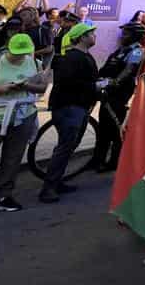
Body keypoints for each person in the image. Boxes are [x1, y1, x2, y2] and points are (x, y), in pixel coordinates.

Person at [0, 33, 47, 212]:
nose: (20, 56)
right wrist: (1, 89)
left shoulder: (35, 63)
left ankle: (5, 196)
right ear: (8, 48)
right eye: (16, 52)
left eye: (24, 52)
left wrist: (27, 86)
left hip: (23, 116)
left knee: (13, 159)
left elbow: (42, 87)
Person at [39, 24, 99, 204]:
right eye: (91, 34)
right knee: (65, 146)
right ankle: (48, 188)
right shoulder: (72, 58)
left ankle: (57, 181)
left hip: (78, 107)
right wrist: (94, 87)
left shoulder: (85, 57)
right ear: (81, 37)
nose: (94, 36)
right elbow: (68, 83)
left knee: (69, 146)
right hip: (69, 108)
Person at [92, 21, 145, 173]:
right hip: (108, 94)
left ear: (135, 36)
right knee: (103, 128)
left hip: (120, 95)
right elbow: (106, 68)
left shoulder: (136, 52)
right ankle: (98, 158)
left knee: (116, 129)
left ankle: (114, 161)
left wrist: (113, 83)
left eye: (127, 33)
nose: (123, 36)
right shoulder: (120, 50)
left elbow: (128, 70)